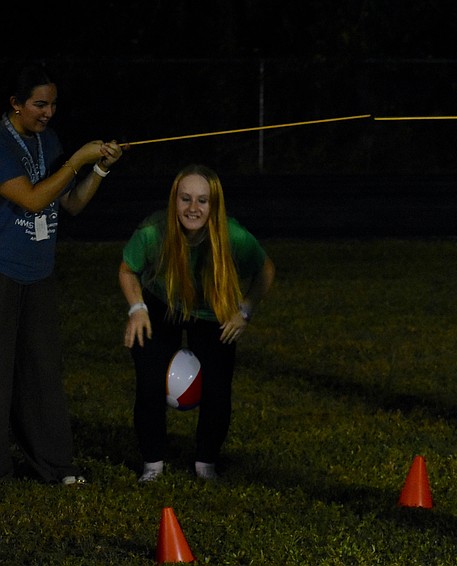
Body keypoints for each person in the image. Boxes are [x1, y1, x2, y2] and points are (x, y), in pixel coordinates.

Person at [0, 61, 124, 485]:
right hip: (3, 270)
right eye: (39, 104)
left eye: (52, 104)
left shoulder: (48, 141)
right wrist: (75, 161)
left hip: (40, 271)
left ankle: (54, 464)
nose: (48, 113)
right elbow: (33, 200)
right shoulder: (0, 142)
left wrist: (100, 168)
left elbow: (69, 204)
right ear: (15, 103)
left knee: (43, 372)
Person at [119, 164, 275, 482]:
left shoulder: (233, 236)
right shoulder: (154, 231)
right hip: (162, 304)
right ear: (174, 200)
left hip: (211, 311)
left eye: (202, 201)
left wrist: (244, 310)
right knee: (149, 380)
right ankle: (153, 465)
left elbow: (266, 269)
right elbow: (127, 269)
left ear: (213, 205)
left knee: (218, 387)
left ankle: (206, 464)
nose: (193, 208)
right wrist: (137, 308)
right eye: (185, 199)